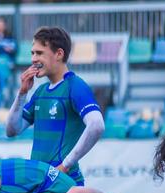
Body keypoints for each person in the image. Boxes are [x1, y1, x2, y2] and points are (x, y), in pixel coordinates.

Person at [6, 27, 105, 185]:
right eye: (32, 53)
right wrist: (22, 92)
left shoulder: (75, 86)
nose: (33, 59)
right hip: (40, 182)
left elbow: (97, 125)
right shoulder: (40, 91)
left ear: (59, 54)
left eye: (39, 53)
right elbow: (12, 130)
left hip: (63, 183)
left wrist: (65, 166)